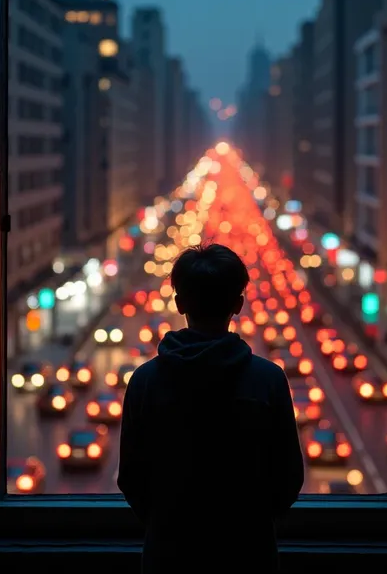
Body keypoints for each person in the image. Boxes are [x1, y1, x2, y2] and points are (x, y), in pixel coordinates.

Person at [118, 242, 304, 574]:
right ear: (239, 304)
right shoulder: (268, 381)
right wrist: (252, 523)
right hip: (249, 558)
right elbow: (288, 476)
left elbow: (132, 477)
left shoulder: (145, 382)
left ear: (179, 303)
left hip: (169, 559)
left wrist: (168, 523)